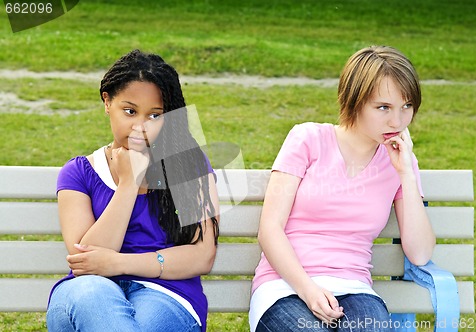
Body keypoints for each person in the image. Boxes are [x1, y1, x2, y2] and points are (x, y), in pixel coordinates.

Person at [249, 46, 436, 332]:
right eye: (383, 107)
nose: (397, 121)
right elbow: (270, 229)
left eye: (406, 106)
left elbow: (420, 253)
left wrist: (406, 175)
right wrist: (308, 290)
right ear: (355, 101)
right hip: (284, 287)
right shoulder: (307, 139)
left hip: (355, 289)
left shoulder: (400, 162)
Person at [46, 49, 219, 332]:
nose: (140, 126)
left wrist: (117, 263)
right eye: (130, 111)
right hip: (87, 293)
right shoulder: (78, 173)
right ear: (107, 102)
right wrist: (129, 184)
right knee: (94, 295)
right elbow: (85, 259)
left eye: (155, 115)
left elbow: (203, 255)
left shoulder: (188, 164)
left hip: (166, 295)